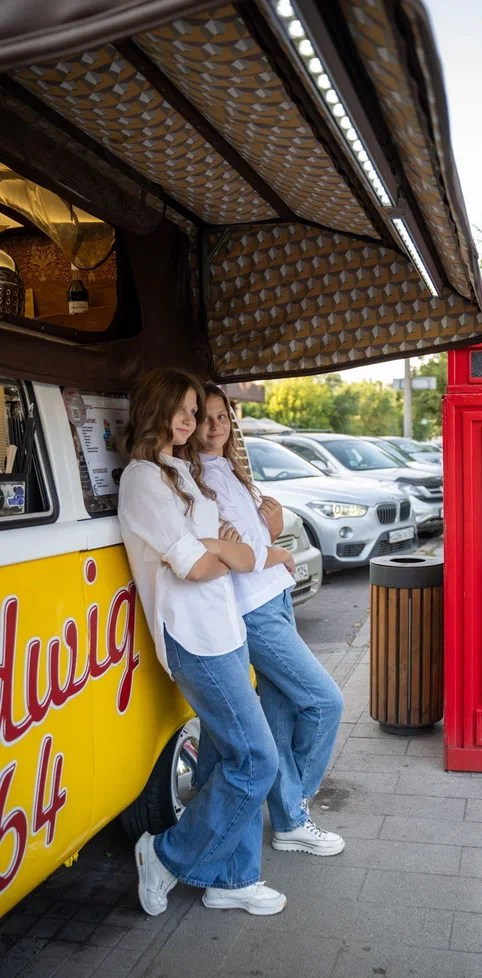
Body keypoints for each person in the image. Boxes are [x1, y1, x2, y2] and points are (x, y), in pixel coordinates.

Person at [118, 366, 287, 917]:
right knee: (258, 759)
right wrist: (227, 551)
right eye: (183, 408)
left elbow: (221, 546)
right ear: (156, 408)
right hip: (193, 638)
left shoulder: (182, 473)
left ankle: (233, 879)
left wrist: (221, 546)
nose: (191, 420)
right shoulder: (143, 479)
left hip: (225, 629)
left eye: (196, 410)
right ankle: (166, 855)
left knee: (223, 761)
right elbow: (198, 567)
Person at [199, 382, 345, 855]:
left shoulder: (229, 469)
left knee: (280, 715)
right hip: (254, 610)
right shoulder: (195, 478)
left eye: (222, 417)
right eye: (204, 418)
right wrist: (271, 543)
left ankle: (288, 822)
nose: (214, 426)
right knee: (326, 701)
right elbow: (235, 549)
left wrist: (270, 523)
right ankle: (294, 801)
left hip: (276, 596)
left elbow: (253, 535)